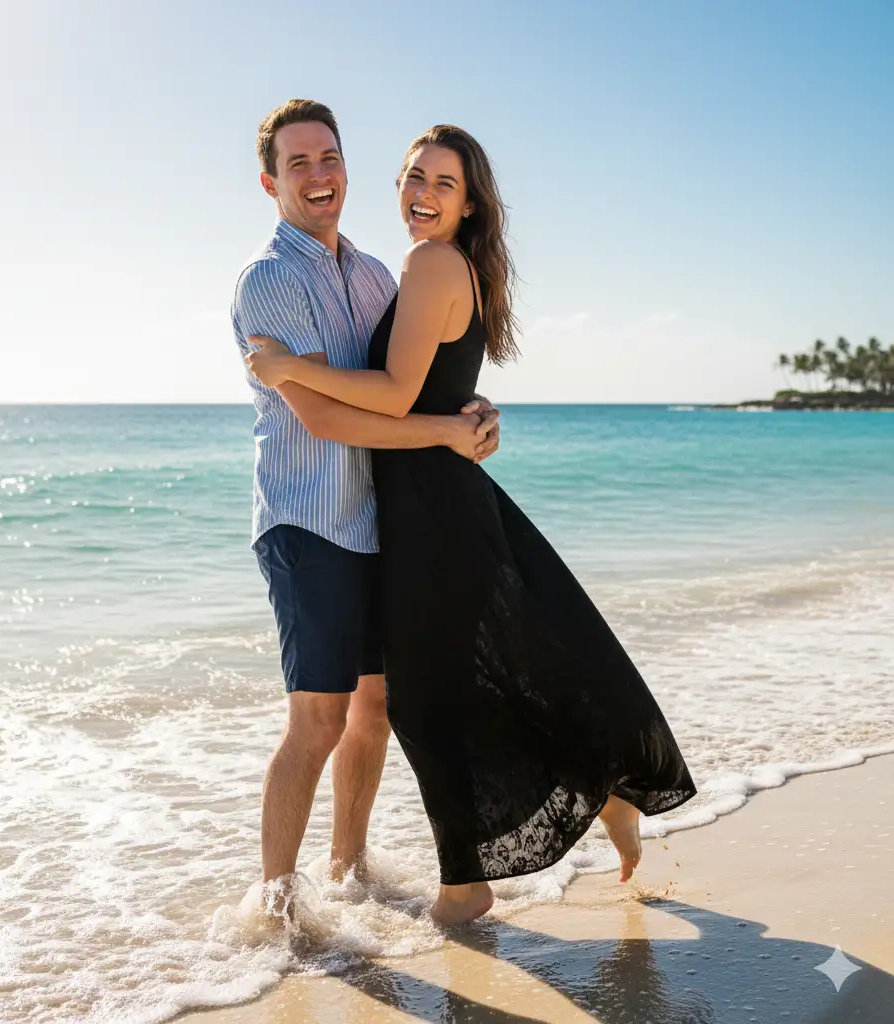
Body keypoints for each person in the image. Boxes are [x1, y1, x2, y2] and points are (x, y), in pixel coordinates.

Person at [247, 124, 698, 925]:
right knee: (389, 701)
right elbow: (336, 414)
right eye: (415, 176)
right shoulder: (279, 280)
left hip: (408, 512)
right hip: (326, 519)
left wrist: (453, 419)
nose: (421, 191)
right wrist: (456, 422)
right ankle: (293, 904)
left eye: (442, 182)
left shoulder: (401, 268)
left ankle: (459, 877)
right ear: (271, 181)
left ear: (470, 200)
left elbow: (392, 391)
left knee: (419, 700)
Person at [231, 101, 502, 906]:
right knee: (317, 718)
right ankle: (276, 908)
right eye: (299, 164)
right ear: (270, 182)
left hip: (376, 520)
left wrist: (471, 408)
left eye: (329, 158)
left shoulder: (379, 273)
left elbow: (406, 383)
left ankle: (347, 874)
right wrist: (445, 434)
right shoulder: (270, 278)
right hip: (307, 520)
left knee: (374, 709)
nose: (319, 176)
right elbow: (319, 416)